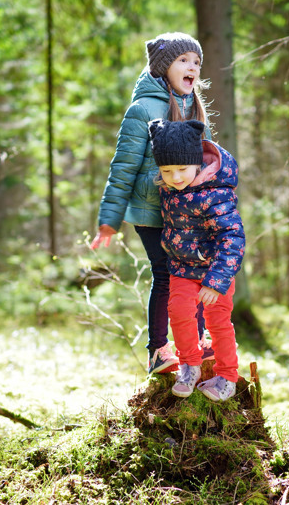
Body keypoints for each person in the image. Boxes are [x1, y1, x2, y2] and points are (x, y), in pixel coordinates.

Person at [90, 32, 213, 374]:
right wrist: (109, 221)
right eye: (184, 60)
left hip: (187, 214)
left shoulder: (195, 107)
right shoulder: (142, 109)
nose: (192, 67)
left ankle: (198, 342)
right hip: (151, 212)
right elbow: (123, 170)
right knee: (166, 274)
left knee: (198, 271)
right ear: (163, 67)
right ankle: (158, 350)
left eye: (196, 62)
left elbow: (208, 161)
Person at [148, 118, 245, 402]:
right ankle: (190, 365)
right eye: (167, 170)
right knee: (177, 310)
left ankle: (227, 376)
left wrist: (216, 283)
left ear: (197, 164)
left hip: (214, 273)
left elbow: (233, 238)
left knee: (218, 322)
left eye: (182, 169)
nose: (175, 177)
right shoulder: (169, 189)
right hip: (181, 268)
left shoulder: (216, 193)